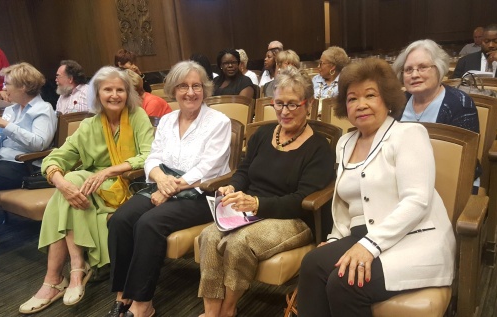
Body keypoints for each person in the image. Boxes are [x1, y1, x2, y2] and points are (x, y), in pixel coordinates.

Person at [297, 58, 456, 317]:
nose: (361, 105)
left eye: (370, 95)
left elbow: (416, 201)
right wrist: (336, 238)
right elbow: (344, 202)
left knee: (346, 282)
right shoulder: (345, 142)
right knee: (313, 263)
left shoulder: (408, 135)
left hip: (412, 238)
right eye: (352, 99)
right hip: (362, 234)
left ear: (387, 99)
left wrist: (370, 245)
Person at [197, 67, 335, 317]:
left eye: (293, 104)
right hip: (250, 210)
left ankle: (228, 310)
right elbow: (244, 171)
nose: (284, 111)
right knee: (209, 235)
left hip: (292, 218)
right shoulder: (262, 134)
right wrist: (233, 186)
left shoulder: (318, 149)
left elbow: (300, 201)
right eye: (279, 103)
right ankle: (211, 312)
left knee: (238, 243)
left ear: (309, 104)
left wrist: (257, 204)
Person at [19, 66, 154, 314]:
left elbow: (148, 157)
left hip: (130, 185)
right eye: (108, 90)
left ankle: (57, 279)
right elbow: (56, 158)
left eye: (120, 90)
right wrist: (60, 182)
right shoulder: (89, 125)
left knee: (75, 181)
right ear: (97, 94)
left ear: (128, 93)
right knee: (69, 184)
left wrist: (108, 171)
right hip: (89, 189)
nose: (114, 95)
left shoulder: (138, 117)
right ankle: (74, 270)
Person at [106, 61, 231, 317]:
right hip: (164, 183)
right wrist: (160, 179)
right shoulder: (167, 120)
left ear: (205, 90)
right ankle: (123, 293)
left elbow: (208, 168)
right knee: (120, 219)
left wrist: (169, 188)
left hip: (202, 193)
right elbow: (153, 157)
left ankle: (143, 304)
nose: (190, 92)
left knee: (149, 223)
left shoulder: (219, 121)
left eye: (196, 86)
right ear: (173, 90)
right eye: (183, 86)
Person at [393, 39, 481, 192]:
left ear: (439, 69)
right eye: (408, 70)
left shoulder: (460, 104)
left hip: (449, 181)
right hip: (402, 178)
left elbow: (465, 162)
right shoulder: (398, 102)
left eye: (422, 67)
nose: (414, 75)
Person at [0, 62, 57, 249]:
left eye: (8, 83)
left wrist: (6, 126)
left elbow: (39, 143)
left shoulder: (43, 110)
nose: (4, 88)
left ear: (24, 86)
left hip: (21, 165)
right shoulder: (11, 110)